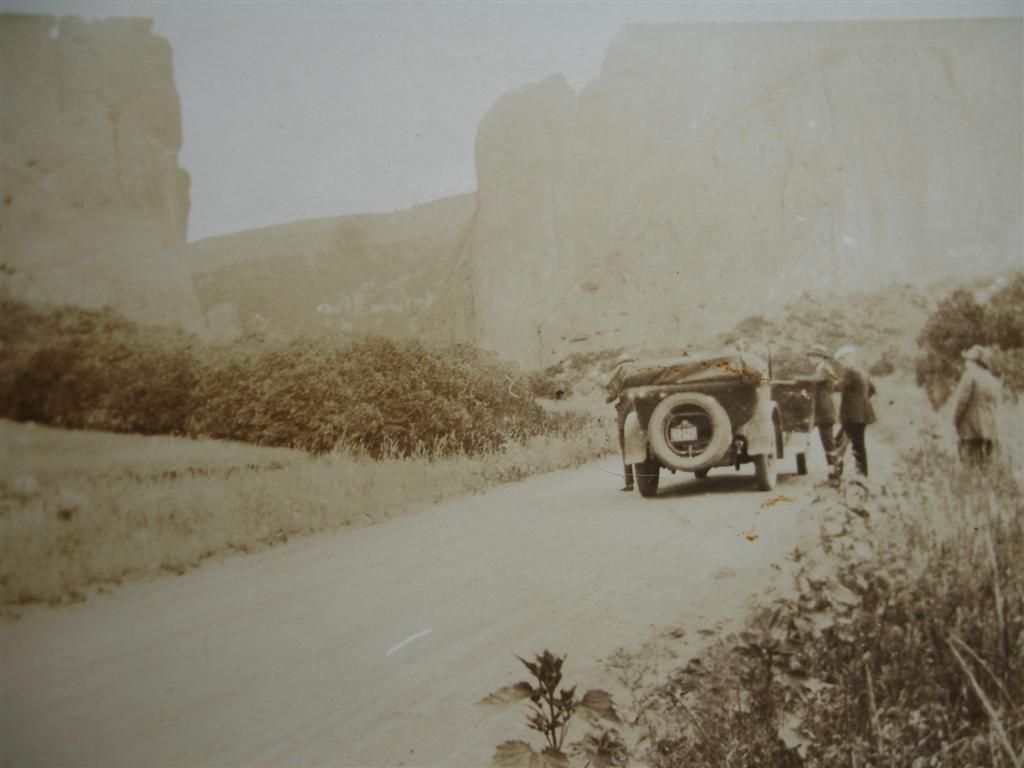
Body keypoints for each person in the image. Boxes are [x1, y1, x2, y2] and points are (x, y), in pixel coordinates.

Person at [832, 346, 876, 478]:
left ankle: (842, 474)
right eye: (841, 360)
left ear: (848, 358)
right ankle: (861, 473)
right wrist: (861, 401)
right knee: (856, 443)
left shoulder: (849, 371)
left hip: (852, 415)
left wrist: (831, 383)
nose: (841, 363)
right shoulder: (862, 371)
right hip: (862, 414)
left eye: (842, 359)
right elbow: (872, 390)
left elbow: (838, 386)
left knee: (843, 443)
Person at [953, 345, 1001, 465]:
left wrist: (954, 421)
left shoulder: (970, 376)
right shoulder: (993, 379)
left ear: (975, 362)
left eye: (968, 360)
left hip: (970, 431)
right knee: (984, 469)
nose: (966, 363)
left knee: (969, 468)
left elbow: (961, 403)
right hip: (989, 431)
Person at [606, 353, 637, 491]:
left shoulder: (619, 371)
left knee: (625, 448)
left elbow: (611, 395)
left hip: (625, 415)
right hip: (642, 413)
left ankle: (629, 482)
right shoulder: (638, 369)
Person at [806, 343, 838, 468]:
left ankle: (834, 470)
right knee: (827, 440)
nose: (810, 359)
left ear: (820, 357)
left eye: (813, 356)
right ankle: (834, 468)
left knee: (828, 442)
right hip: (824, 408)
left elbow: (815, 379)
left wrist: (798, 379)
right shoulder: (825, 368)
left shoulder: (825, 369)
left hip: (824, 409)